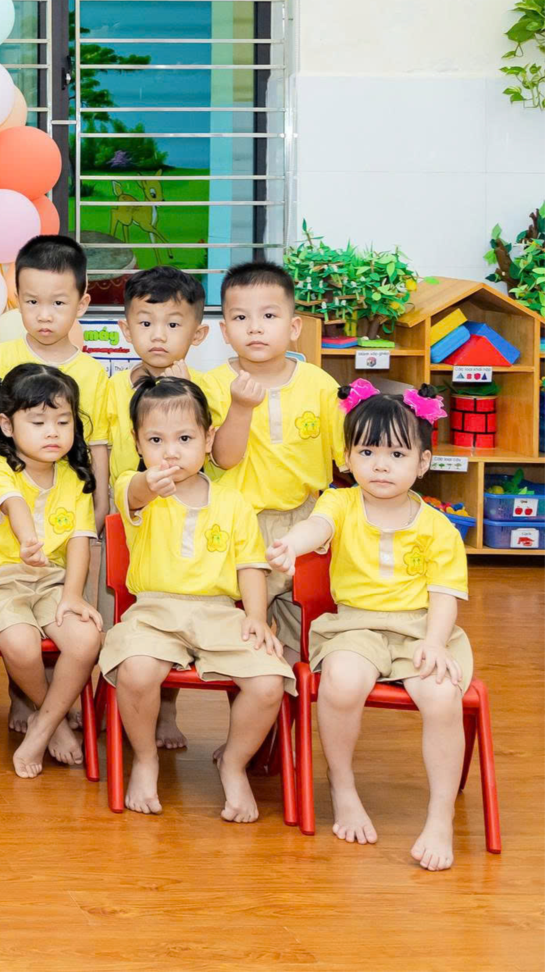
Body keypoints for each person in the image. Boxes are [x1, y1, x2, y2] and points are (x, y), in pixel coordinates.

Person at [268, 384, 474, 871]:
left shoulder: (439, 528)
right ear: (347, 457)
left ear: (422, 463)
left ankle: (440, 815)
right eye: (367, 452)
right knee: (341, 682)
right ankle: (343, 789)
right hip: (353, 627)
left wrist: (435, 642)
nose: (381, 466)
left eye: (397, 455)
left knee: (442, 697)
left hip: (421, 630)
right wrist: (291, 544)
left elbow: (445, 595)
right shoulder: (339, 504)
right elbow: (316, 528)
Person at [101, 375, 292, 821]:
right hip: (153, 611)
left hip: (220, 613)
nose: (170, 452)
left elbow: (250, 566)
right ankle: (145, 758)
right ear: (137, 443)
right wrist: (150, 483)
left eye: (184, 439)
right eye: (156, 440)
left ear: (208, 440)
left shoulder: (234, 502)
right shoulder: (135, 486)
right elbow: (135, 493)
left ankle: (234, 764)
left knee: (268, 683)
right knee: (136, 670)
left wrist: (256, 617)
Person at [103, 265, 245, 750]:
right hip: (129, 518)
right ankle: (122, 710)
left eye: (173, 324)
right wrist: (103, 511)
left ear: (197, 334)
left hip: (191, 523)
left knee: (179, 615)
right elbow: (101, 450)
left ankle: (168, 712)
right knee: (131, 624)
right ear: (126, 329)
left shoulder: (208, 388)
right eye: (145, 323)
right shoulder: (112, 386)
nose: (158, 335)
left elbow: (222, 455)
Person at [0, 234, 112, 721]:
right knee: (19, 623)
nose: (45, 315)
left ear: (82, 304)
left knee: (66, 610)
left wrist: (99, 505)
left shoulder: (92, 373)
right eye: (32, 302)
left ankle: (56, 704)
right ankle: (27, 700)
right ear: (17, 299)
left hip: (69, 505)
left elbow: (97, 444)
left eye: (58, 303)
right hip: (15, 503)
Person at [0, 365, 103, 777]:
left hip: (49, 582)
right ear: (7, 425)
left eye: (63, 422)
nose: (52, 432)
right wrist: (26, 541)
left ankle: (41, 727)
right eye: (38, 423)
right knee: (21, 646)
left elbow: (79, 542)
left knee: (87, 638)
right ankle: (54, 721)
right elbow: (14, 505)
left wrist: (72, 596)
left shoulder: (74, 479)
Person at [200, 259, 343, 653]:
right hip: (239, 524)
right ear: (225, 331)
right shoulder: (213, 385)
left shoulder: (320, 384)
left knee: (306, 631)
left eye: (268, 315)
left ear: (294, 327)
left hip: (307, 523)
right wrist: (240, 407)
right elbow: (223, 459)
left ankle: (294, 690)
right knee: (244, 632)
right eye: (241, 317)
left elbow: (348, 458)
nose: (255, 327)